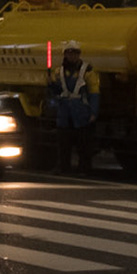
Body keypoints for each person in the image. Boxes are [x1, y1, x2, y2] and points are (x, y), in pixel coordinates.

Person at [49, 40, 97, 175]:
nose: (72, 56)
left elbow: (94, 92)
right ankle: (63, 167)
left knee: (83, 143)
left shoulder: (87, 71)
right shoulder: (59, 71)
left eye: (75, 53)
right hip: (65, 112)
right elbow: (57, 90)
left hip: (80, 111)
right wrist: (51, 85)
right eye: (69, 53)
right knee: (63, 143)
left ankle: (84, 168)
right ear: (65, 54)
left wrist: (93, 112)